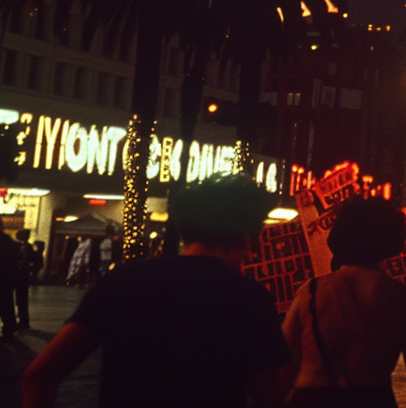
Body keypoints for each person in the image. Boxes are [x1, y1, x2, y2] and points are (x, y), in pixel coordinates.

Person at [22, 175, 290, 408]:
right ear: (246, 236)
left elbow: (40, 374)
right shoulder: (249, 298)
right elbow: (269, 397)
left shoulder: (122, 282)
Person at [281, 196, 406, 408]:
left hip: (311, 400)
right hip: (371, 401)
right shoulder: (405, 299)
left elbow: (281, 370)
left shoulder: (310, 291)